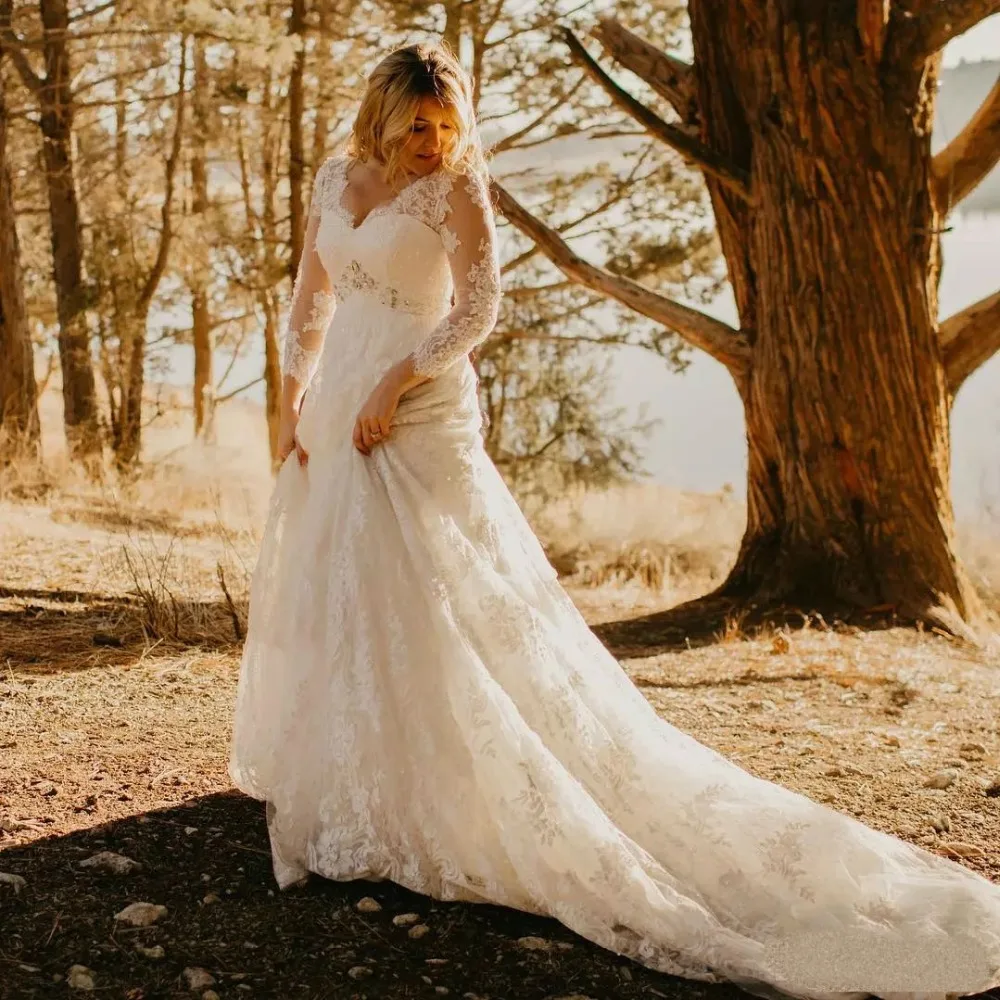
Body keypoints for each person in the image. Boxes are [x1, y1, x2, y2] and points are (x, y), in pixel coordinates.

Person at [229, 41, 1000, 1000]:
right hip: (335, 398)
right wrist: (294, 394)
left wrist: (397, 375)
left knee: (436, 591)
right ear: (380, 118)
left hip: (416, 401)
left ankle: (466, 787)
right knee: (341, 581)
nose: (432, 143)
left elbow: (477, 309)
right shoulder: (338, 174)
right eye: (415, 126)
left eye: (444, 126)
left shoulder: (460, 192)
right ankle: (362, 780)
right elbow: (312, 290)